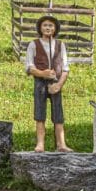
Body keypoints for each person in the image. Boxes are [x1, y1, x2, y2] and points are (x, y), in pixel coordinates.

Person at [24, 16, 72, 153]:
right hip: (40, 83)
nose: (48, 28)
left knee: (58, 113)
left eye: (51, 26)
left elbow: (65, 68)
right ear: (40, 28)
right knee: (40, 113)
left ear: (55, 28)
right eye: (45, 25)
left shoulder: (60, 45)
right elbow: (29, 67)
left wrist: (59, 85)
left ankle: (61, 144)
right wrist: (42, 73)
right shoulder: (33, 44)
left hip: (56, 83)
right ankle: (40, 144)